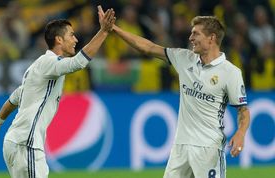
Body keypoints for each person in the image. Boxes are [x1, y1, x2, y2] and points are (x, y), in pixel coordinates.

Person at [98, 6, 250, 178]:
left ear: (211, 38)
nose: (190, 37)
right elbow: (147, 47)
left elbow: (243, 110)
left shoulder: (230, 73)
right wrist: (114, 29)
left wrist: (240, 133)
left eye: (196, 34)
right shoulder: (184, 58)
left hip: (208, 149)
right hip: (181, 147)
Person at [0, 7, 116, 178]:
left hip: (17, 142)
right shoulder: (50, 63)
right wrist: (103, 32)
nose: (75, 39)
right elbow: (78, 63)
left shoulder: (36, 67)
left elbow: (15, 97)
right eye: (71, 35)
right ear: (59, 39)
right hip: (26, 143)